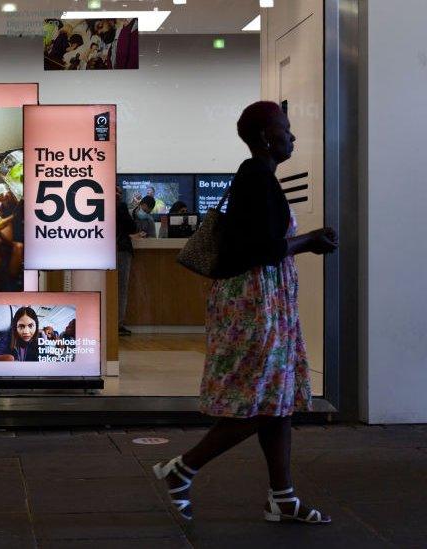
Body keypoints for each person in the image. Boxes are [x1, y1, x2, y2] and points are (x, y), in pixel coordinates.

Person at [152, 101, 338, 524]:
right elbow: (262, 248)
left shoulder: (258, 177)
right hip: (254, 301)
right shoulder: (256, 176)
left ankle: (283, 497)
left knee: (278, 399)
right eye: (285, 130)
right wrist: (309, 240)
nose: (292, 137)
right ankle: (183, 469)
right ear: (265, 138)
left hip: (264, 300)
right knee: (258, 401)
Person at [115, 186, 146, 336]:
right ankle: (118, 324)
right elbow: (131, 227)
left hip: (100, 251)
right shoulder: (120, 206)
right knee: (121, 288)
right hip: (120, 249)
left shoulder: (98, 205)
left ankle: (105, 321)